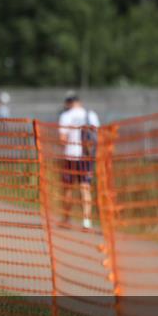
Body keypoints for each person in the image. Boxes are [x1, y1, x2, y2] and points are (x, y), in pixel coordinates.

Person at [59, 91, 100, 230]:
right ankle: (86, 221)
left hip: (71, 155)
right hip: (86, 156)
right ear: (79, 101)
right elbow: (96, 136)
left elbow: (62, 139)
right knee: (85, 188)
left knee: (68, 188)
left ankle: (66, 218)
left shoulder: (65, 116)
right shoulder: (90, 114)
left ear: (68, 102)